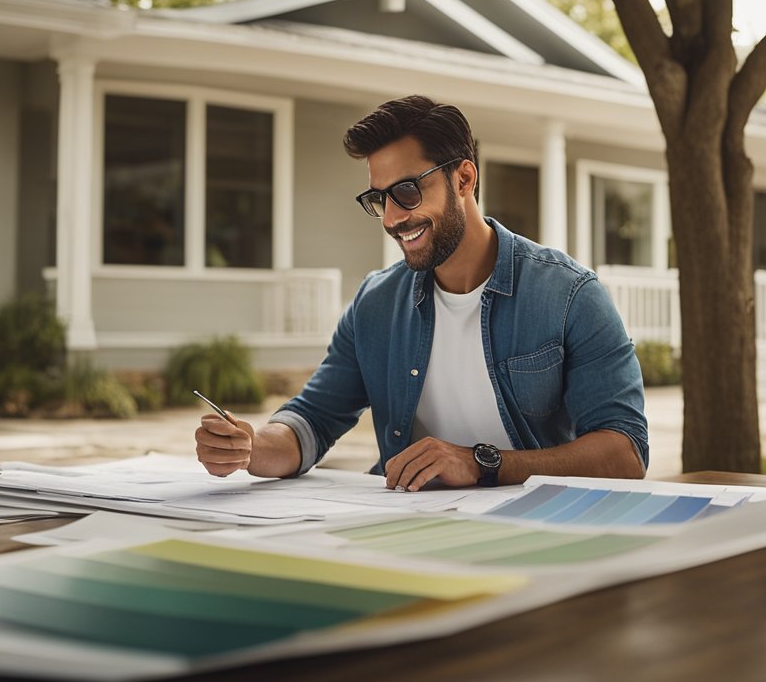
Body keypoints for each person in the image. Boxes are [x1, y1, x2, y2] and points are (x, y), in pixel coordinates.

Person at [196, 95, 648, 491]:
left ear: (464, 180)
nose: (392, 218)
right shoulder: (375, 303)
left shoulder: (569, 295)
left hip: (534, 529)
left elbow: (625, 453)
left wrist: (481, 463)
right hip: (407, 526)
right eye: (379, 199)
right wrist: (252, 447)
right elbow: (311, 421)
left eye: (407, 191)